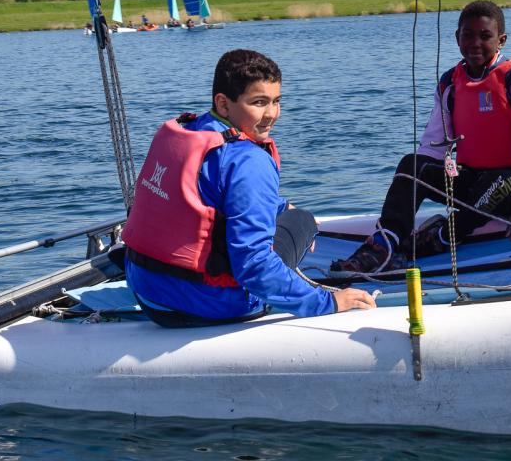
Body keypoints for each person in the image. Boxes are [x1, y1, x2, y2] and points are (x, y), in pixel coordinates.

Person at [124, 49, 375, 326]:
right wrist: (328, 302)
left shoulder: (188, 132)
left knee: (284, 211)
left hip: (147, 293)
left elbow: (203, 193)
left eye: (276, 101)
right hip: (206, 305)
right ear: (223, 104)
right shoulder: (249, 161)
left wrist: (280, 206)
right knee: (302, 220)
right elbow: (254, 267)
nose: (271, 114)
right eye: (259, 102)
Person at [333, 0, 511, 274]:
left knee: (496, 182)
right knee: (412, 165)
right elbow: (432, 146)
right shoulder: (450, 83)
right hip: (474, 181)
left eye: (485, 36)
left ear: (501, 41)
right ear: (457, 37)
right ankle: (385, 244)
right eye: (467, 35)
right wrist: (417, 181)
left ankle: (438, 238)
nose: (475, 43)